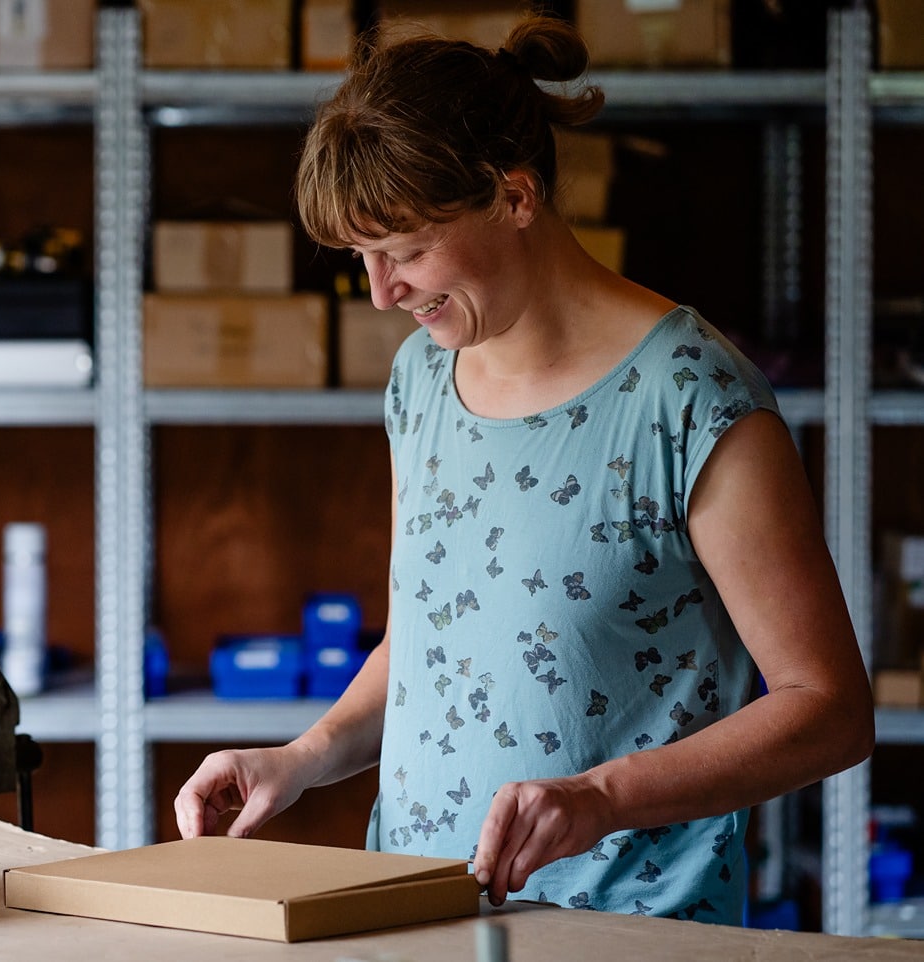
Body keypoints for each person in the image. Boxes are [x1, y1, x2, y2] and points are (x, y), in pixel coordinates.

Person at [173, 14, 874, 925]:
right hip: (413, 909)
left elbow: (828, 707)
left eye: (409, 249)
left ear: (514, 196)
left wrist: (601, 798)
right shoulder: (421, 376)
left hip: (627, 928)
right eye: (361, 257)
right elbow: (428, 643)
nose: (383, 293)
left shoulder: (690, 398)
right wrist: (300, 759)